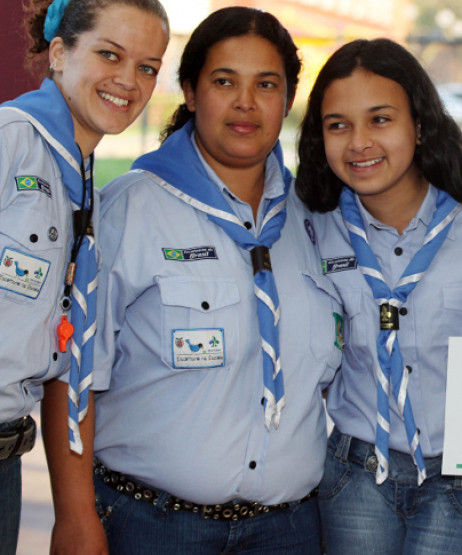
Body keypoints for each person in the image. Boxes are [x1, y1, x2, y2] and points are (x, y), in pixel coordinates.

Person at [82, 8, 339, 553]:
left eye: (266, 84)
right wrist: (76, 514)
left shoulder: (319, 220)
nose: (246, 103)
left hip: (291, 530)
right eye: (225, 82)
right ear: (191, 92)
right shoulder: (131, 208)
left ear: (288, 100)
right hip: (152, 526)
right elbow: (76, 377)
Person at [295, 38, 462, 554]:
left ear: (419, 125)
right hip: (355, 473)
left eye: (380, 120)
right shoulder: (310, 226)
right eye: (338, 125)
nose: (359, 143)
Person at [0, 0, 168, 553]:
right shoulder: (11, 141)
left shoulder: (80, 180)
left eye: (147, 66)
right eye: (109, 55)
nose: (128, 80)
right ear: (58, 53)